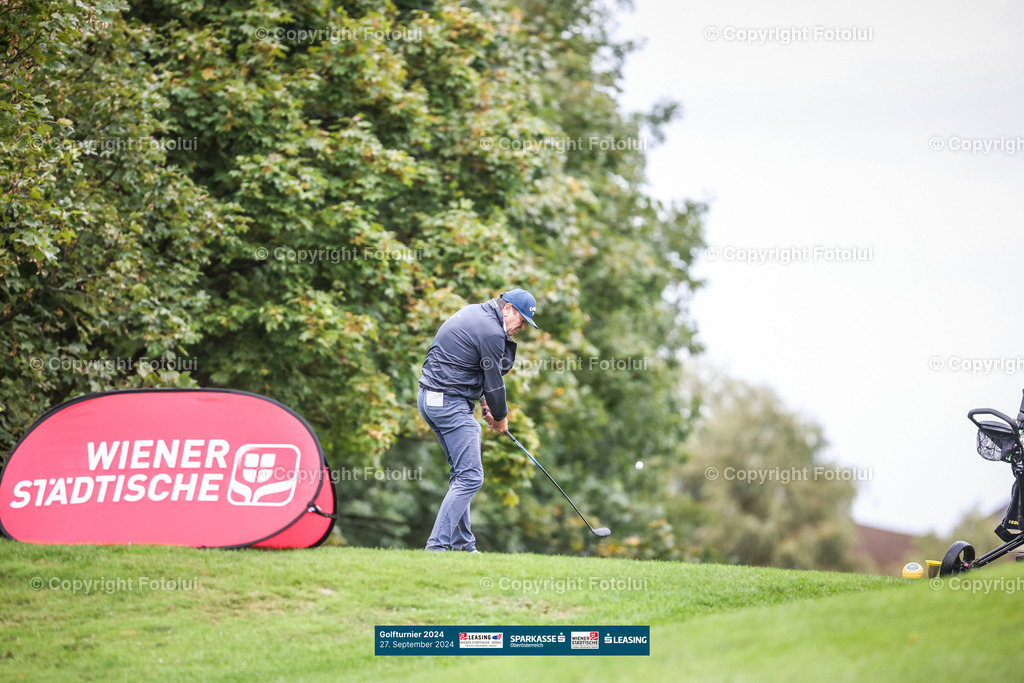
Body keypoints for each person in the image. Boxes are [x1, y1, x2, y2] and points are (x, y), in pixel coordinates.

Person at [418, 288, 538, 552]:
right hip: (449, 404)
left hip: (430, 399)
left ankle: (464, 547)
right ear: (508, 309)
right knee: (471, 477)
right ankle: (436, 548)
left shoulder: (475, 312)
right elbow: (494, 385)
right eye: (522, 321)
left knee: (462, 474)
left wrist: (485, 405)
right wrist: (501, 418)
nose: (521, 328)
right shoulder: (493, 332)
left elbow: (473, 369)